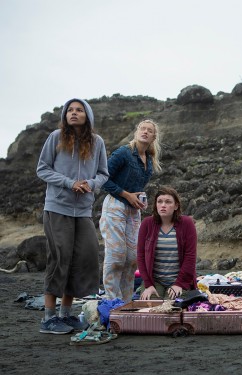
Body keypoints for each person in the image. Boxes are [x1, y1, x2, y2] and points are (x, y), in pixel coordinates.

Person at [36, 98, 109, 334]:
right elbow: (42, 169)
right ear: (65, 115)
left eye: (79, 110)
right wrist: (69, 183)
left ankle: (66, 315)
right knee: (59, 259)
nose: (74, 113)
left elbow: (103, 174)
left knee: (83, 258)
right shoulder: (56, 137)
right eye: (70, 110)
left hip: (84, 210)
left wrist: (90, 184)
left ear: (87, 115)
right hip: (57, 207)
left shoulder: (97, 142)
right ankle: (49, 318)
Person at [100, 120, 162, 303]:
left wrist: (140, 198)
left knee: (132, 258)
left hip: (133, 210)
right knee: (116, 255)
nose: (145, 132)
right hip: (115, 206)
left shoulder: (148, 160)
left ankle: (126, 302)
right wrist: (127, 195)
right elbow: (103, 178)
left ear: (154, 137)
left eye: (149, 130)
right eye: (142, 128)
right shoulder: (123, 153)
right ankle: (112, 301)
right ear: (136, 132)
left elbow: (137, 187)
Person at [137, 186, 198, 300]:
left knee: (171, 307)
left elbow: (190, 257)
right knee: (151, 306)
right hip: (154, 281)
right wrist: (148, 285)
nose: (163, 205)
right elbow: (140, 256)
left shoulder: (187, 223)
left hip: (179, 281)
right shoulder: (147, 223)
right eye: (159, 201)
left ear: (176, 206)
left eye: (168, 202)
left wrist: (179, 284)